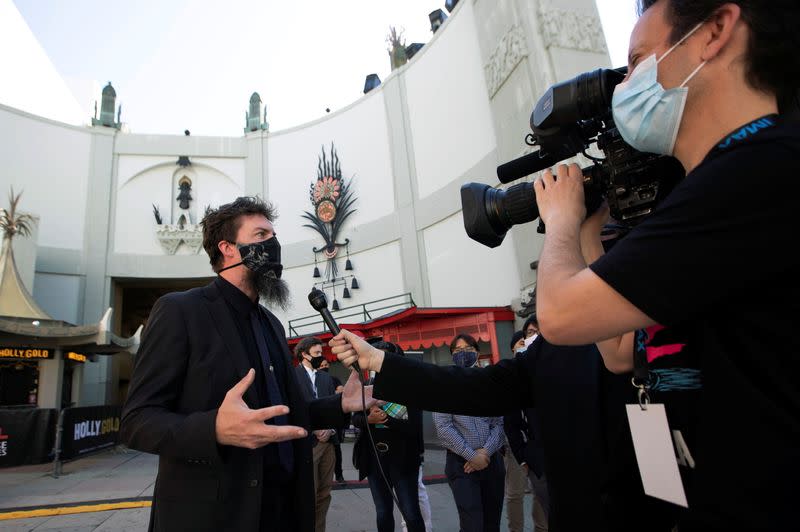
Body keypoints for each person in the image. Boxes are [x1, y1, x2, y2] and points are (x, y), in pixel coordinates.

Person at [531, 1, 800, 530]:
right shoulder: (717, 186)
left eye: (636, 61)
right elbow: (618, 353)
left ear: (715, 30)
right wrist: (588, 230)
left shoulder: (759, 171)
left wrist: (560, 219)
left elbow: (560, 314)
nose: (628, 83)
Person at [120, 196, 368, 532]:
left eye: (274, 236)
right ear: (228, 249)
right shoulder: (181, 311)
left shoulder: (271, 324)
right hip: (215, 517)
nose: (274, 245)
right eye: (262, 236)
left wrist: (341, 404)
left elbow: (286, 414)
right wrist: (214, 429)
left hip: (282, 511)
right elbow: (137, 421)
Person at [433, 334, 505, 532]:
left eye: (467, 349)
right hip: (461, 464)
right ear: (451, 356)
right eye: (457, 350)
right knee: (472, 524)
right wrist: (472, 456)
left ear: (477, 352)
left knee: (492, 523)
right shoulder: (445, 385)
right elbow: (444, 427)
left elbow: (499, 423)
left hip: (491, 461)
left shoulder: (491, 382)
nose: (463, 353)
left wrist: (484, 454)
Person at [351, 340, 426, 532]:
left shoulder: (410, 387)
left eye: (384, 358)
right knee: (383, 511)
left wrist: (383, 418)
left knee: (411, 512)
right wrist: (370, 419)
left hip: (404, 460)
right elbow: (356, 419)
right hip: (375, 460)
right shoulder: (367, 385)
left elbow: (414, 427)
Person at [294, 337, 339, 532]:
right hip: (307, 443)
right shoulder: (291, 377)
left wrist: (331, 429)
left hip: (329, 442)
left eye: (322, 353)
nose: (321, 357)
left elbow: (335, 407)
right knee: (308, 495)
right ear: (304, 354)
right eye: (317, 354)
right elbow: (291, 409)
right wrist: (313, 428)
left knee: (324, 493)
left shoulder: (326, 378)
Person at [502, 331, 533, 532]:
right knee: (515, 495)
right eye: (522, 341)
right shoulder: (509, 373)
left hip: (541, 443)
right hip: (516, 445)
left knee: (542, 493)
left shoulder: (542, 368)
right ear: (513, 347)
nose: (527, 344)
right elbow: (509, 419)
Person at [319, 358, 347, 484]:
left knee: (337, 450)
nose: (325, 367)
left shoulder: (334, 379)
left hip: (333, 420)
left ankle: (339, 475)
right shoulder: (313, 379)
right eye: (322, 365)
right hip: (320, 420)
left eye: (326, 364)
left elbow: (340, 391)